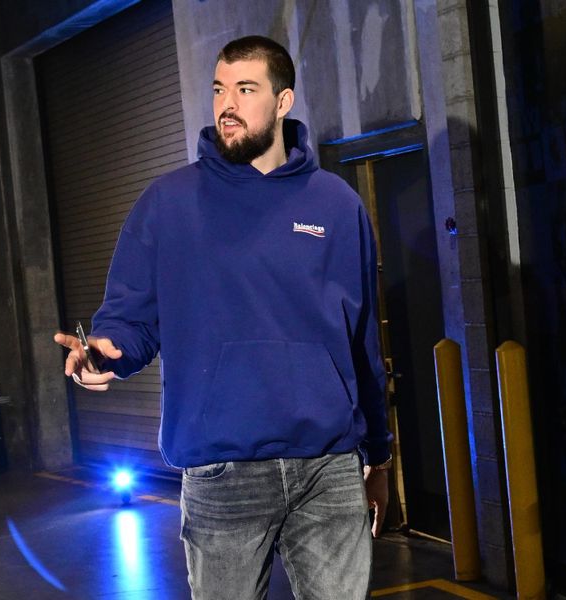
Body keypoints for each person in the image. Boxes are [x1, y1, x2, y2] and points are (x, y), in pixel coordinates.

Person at [54, 35, 392, 600]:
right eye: (218, 89)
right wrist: (107, 350)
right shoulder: (168, 204)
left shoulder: (336, 205)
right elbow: (129, 318)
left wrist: (378, 455)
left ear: (283, 101)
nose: (226, 104)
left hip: (328, 470)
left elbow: (362, 343)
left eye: (245, 88)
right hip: (222, 475)